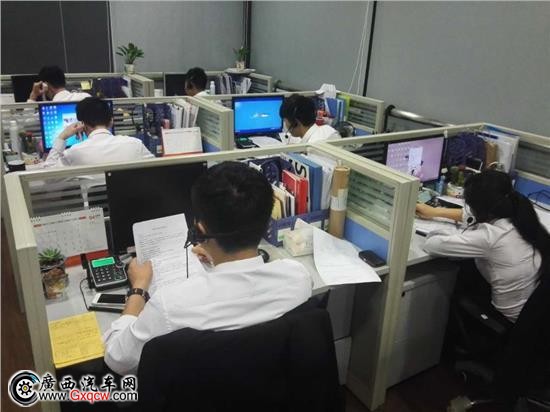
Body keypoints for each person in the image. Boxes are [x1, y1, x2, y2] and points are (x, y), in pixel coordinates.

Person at [103, 161, 313, 375]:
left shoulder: (169, 306)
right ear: (268, 222)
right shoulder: (297, 278)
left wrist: (139, 288)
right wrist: (215, 257)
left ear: (200, 230)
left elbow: (118, 359)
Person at [416, 170, 549, 322]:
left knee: (459, 278)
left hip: (508, 319)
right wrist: (434, 212)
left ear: (481, 210)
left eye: (470, 206)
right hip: (536, 313)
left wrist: (452, 233)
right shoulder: (520, 216)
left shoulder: (490, 237)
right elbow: (471, 216)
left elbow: (432, 244)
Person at [44, 97, 153, 168]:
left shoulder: (74, 153)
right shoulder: (135, 144)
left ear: (83, 124)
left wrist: (62, 137)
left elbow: (47, 177)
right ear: (111, 121)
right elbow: (158, 169)